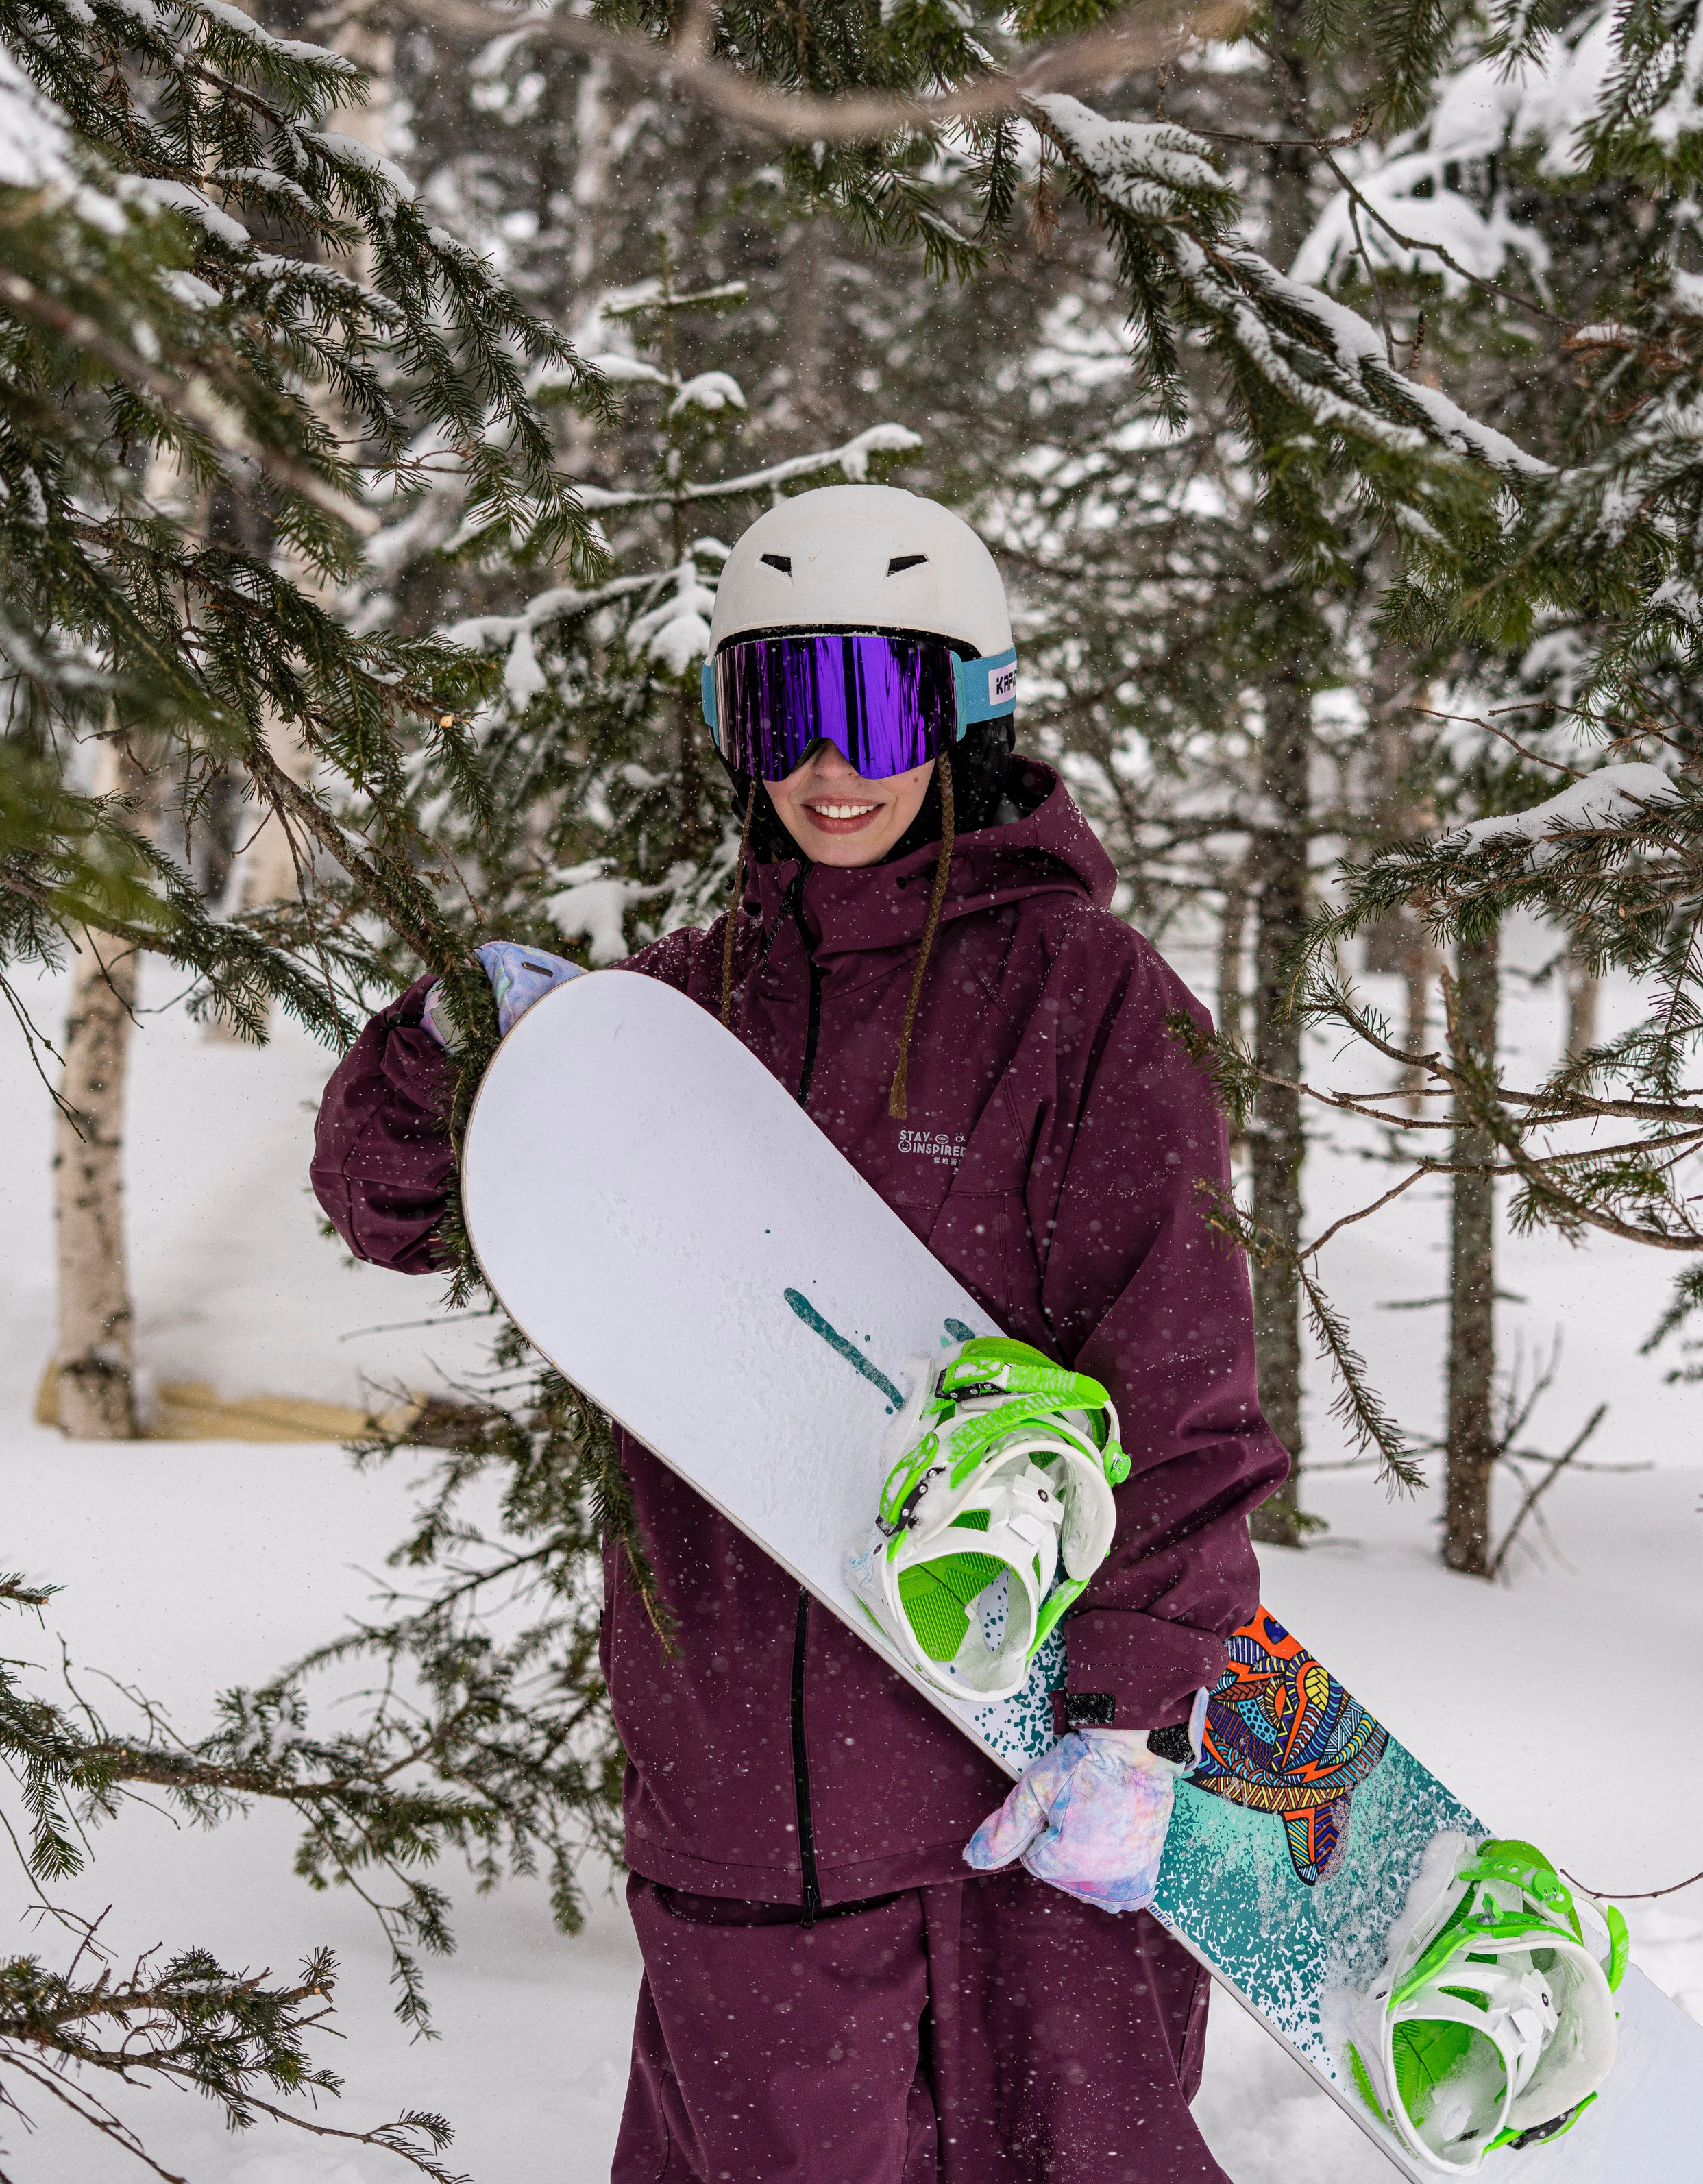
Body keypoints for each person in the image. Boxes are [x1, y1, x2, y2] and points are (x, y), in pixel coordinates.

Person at [311, 484, 1287, 2184]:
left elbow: (1177, 1377)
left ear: (966, 711)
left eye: (877, 705)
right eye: (778, 707)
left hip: (1025, 1796)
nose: (828, 764)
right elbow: (388, 1209)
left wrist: (1132, 1714)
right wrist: (453, 1050)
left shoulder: (1087, 999)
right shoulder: (674, 1017)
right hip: (742, 1821)